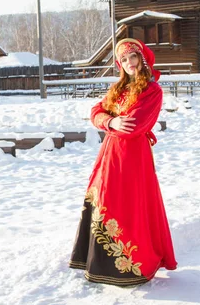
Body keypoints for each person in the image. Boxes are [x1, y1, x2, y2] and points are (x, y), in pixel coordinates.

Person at [69, 38, 177, 287]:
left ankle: (129, 266)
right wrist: (110, 121)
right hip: (109, 154)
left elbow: (134, 125)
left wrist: (113, 120)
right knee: (106, 199)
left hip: (132, 157)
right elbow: (96, 112)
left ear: (142, 58)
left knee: (128, 203)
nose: (129, 63)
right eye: (124, 59)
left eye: (133, 57)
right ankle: (95, 259)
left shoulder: (152, 91)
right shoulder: (118, 89)